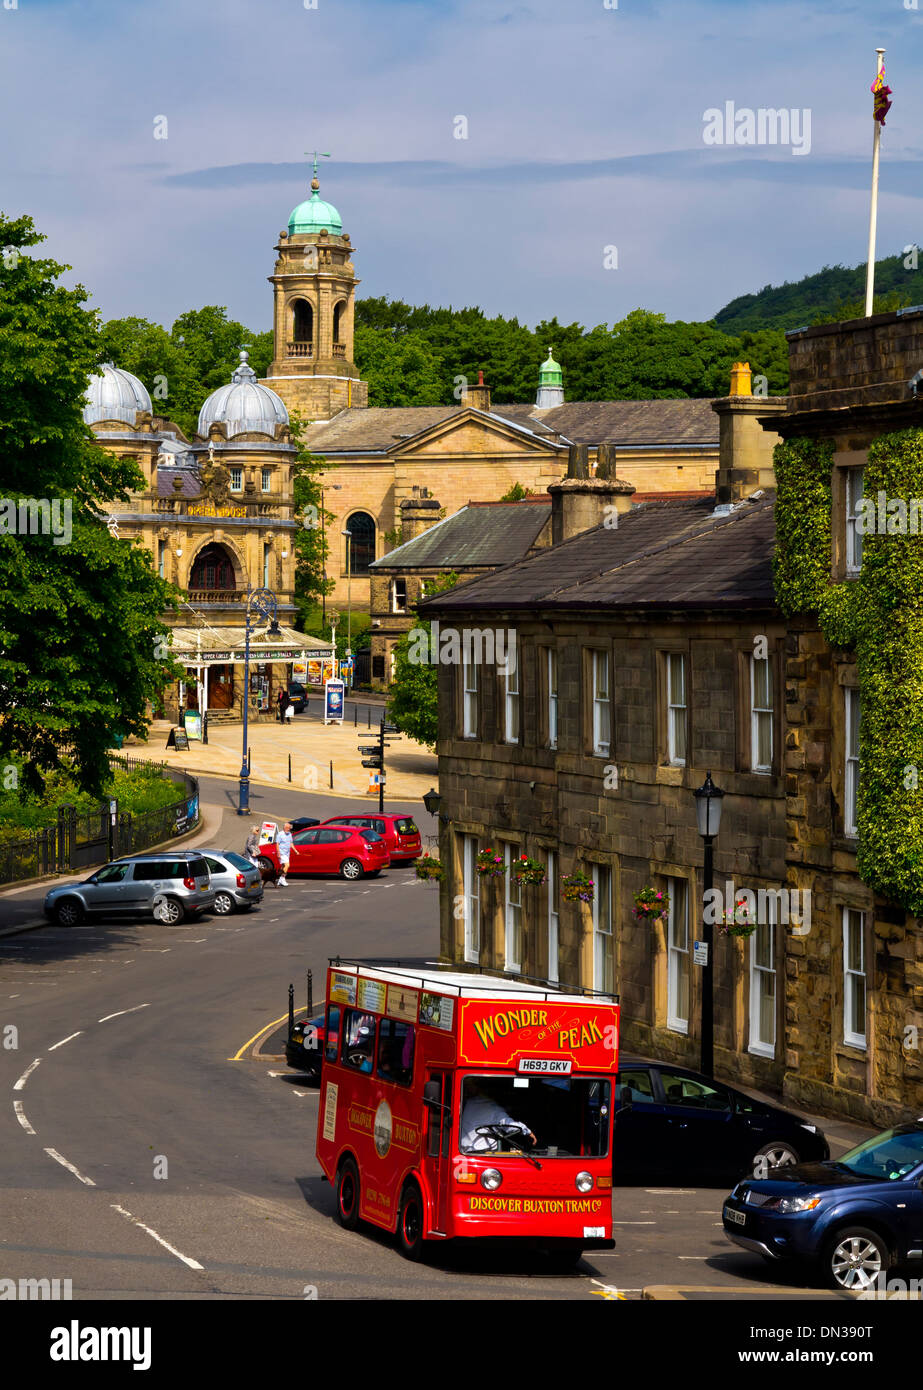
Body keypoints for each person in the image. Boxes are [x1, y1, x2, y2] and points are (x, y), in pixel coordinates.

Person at [460, 1078, 537, 1153]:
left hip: (465, 1151)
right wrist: (527, 1132)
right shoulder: (493, 1108)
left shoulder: (468, 1103)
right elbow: (510, 1126)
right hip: (485, 1153)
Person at [275, 821, 293, 886]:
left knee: (283, 866)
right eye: (288, 828)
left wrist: (295, 850)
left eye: (289, 828)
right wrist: (278, 853)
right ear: (284, 828)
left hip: (287, 853)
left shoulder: (289, 834)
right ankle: (282, 879)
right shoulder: (280, 834)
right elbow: (277, 844)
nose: (289, 829)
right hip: (282, 853)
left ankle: (279, 880)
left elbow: (291, 843)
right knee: (287, 865)